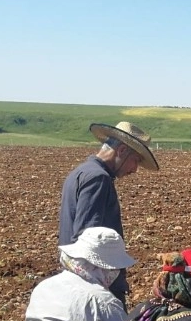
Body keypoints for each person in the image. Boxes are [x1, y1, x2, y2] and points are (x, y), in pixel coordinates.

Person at [58, 121, 158, 303]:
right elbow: (88, 239)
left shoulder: (81, 172)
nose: (135, 169)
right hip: (95, 290)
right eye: (135, 160)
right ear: (121, 151)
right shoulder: (98, 179)